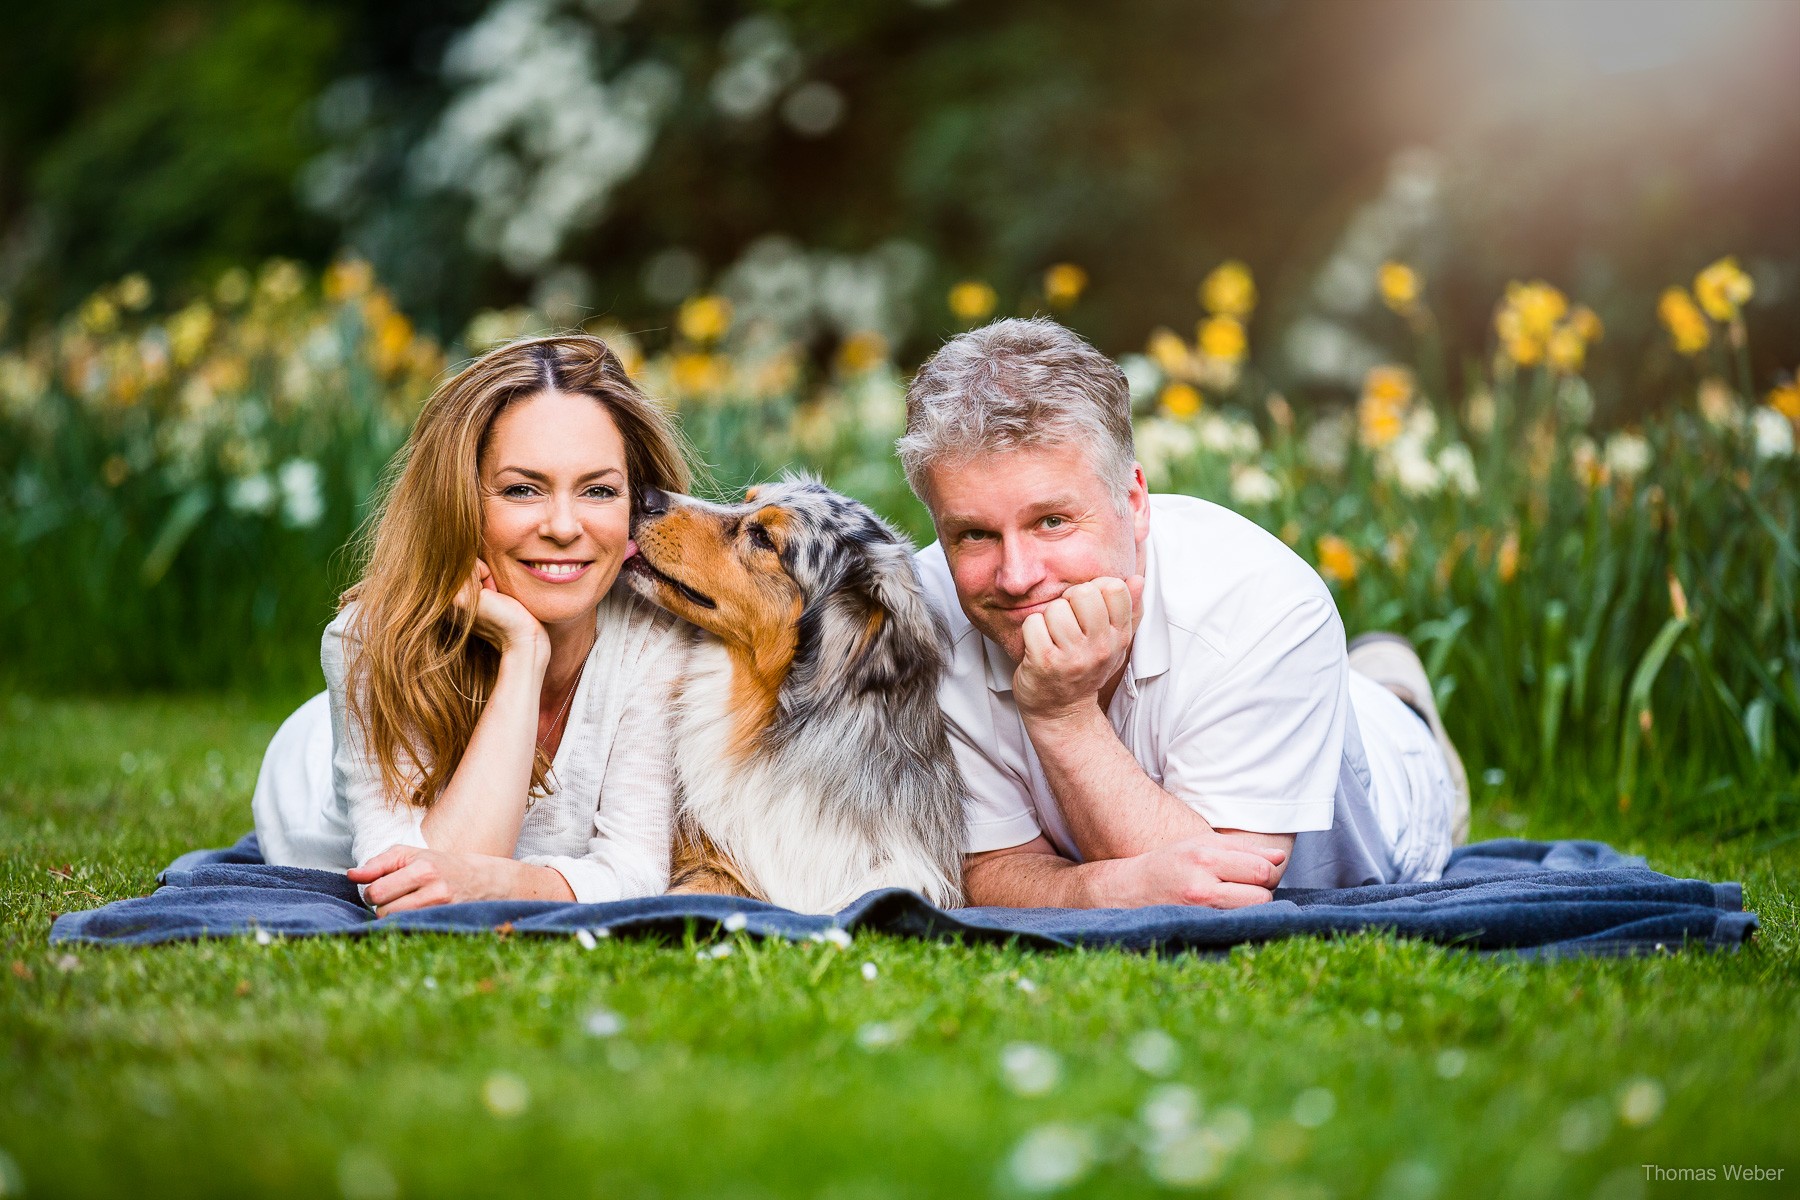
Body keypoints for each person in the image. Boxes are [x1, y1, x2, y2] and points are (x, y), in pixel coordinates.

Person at [897, 318, 1470, 909]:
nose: (1016, 577)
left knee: (1384, 729)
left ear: (1135, 502)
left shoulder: (1267, 604)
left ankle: (1399, 697)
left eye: (1052, 521)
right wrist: (1108, 888)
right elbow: (985, 871)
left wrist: (1062, 712)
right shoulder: (917, 623)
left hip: (1394, 788)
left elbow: (1225, 892)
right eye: (974, 534)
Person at [251, 334, 693, 914]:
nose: (564, 525)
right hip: (307, 783)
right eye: (522, 489)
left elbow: (635, 870)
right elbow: (415, 895)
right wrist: (523, 650)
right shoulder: (369, 639)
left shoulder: (659, 641)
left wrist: (496, 884)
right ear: (459, 500)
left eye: (599, 490)